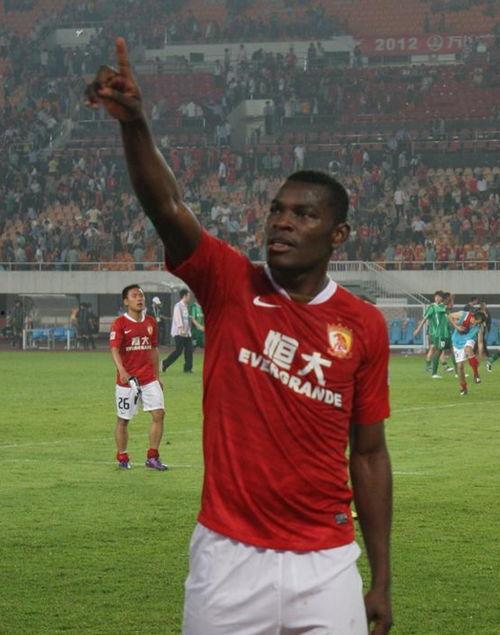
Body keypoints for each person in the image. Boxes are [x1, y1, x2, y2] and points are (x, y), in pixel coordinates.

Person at [86, 38, 392, 634]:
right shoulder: (229, 282)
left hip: (327, 563)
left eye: (303, 214)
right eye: (276, 210)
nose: (282, 222)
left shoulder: (363, 325)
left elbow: (370, 453)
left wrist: (380, 578)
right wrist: (135, 124)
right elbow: (167, 206)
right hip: (226, 557)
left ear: (338, 235)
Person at [109, 284, 167, 471]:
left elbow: (153, 349)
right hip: (128, 382)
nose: (139, 298)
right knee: (123, 420)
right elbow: (114, 350)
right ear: (126, 301)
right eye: (134, 296)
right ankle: (122, 456)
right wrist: (122, 372)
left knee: (159, 414)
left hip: (149, 378)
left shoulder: (151, 322)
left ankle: (152, 457)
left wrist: (157, 376)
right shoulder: (119, 323)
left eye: (141, 295)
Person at [448, 309, 486, 395]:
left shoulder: (480, 327)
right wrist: (457, 327)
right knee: (460, 367)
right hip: (457, 341)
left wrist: (480, 356)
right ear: (473, 317)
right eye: (475, 322)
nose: (476, 324)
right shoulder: (463, 315)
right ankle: (463, 386)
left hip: (469, 339)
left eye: (478, 323)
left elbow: (480, 342)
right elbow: (449, 315)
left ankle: (476, 374)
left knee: (468, 349)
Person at [413, 290, 446, 378]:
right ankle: (439, 368)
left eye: (439, 297)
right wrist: (418, 329)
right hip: (433, 333)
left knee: (433, 348)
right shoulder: (432, 307)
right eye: (436, 296)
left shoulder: (443, 307)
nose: (437, 298)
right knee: (438, 349)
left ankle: (430, 366)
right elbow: (424, 319)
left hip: (441, 333)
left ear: (442, 298)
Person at [161, 288, 193, 373]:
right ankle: (165, 363)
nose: (189, 297)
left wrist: (188, 331)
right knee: (178, 351)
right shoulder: (178, 306)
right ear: (184, 296)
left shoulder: (186, 306)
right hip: (179, 333)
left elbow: (186, 320)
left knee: (189, 350)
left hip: (187, 333)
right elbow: (178, 318)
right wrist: (181, 329)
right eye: (188, 295)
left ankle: (188, 369)